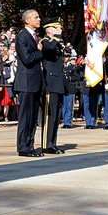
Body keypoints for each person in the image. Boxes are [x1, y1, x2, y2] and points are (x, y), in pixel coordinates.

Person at [13, 9, 44, 157]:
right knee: (25, 116)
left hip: (35, 82)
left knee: (33, 117)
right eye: (35, 17)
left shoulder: (35, 36)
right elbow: (27, 59)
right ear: (27, 20)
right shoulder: (22, 36)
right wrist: (39, 51)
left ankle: (30, 145)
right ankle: (23, 147)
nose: (39, 19)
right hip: (26, 82)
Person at [39, 20, 67, 154]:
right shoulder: (45, 41)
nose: (60, 30)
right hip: (50, 82)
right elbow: (49, 48)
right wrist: (56, 38)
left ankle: (52, 143)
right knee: (49, 115)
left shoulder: (56, 42)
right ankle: (46, 143)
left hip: (58, 82)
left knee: (55, 116)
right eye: (57, 28)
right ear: (49, 30)